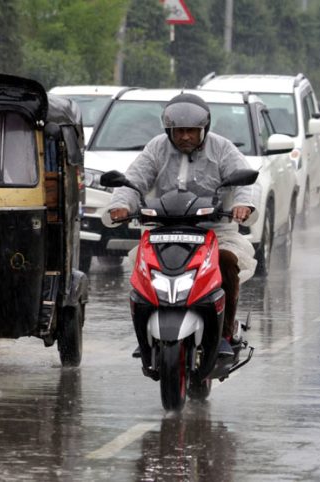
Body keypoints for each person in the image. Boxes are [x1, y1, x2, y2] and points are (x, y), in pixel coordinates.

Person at [105, 92, 258, 357]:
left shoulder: (222, 148)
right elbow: (135, 180)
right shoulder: (156, 148)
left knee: (226, 262)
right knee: (144, 270)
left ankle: (225, 333)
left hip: (215, 230)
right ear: (168, 130)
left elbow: (243, 181)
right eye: (179, 131)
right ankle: (146, 336)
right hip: (164, 230)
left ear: (204, 129)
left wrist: (242, 206)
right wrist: (121, 205)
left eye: (191, 131)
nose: (185, 136)